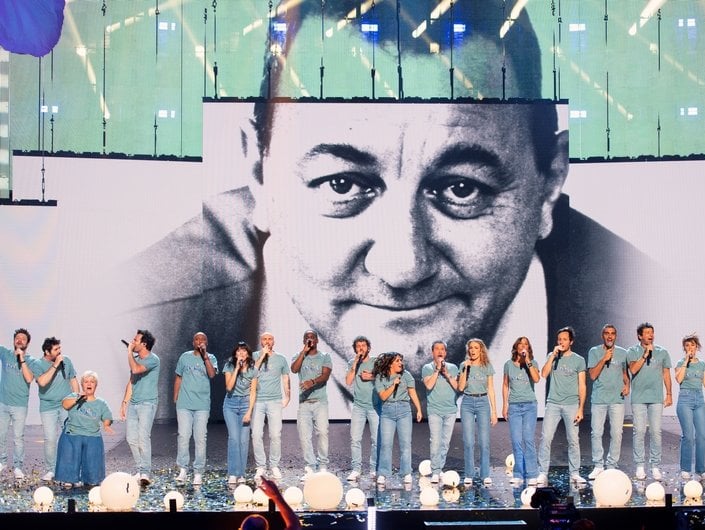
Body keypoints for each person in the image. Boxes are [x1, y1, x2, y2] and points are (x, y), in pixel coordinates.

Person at [111, 1, 654, 421]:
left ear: (549, 182)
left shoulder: (651, 301)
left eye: (462, 188)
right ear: (259, 172)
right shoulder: (130, 324)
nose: (402, 267)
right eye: (342, 183)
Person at [537, 326, 587, 486]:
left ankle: (574, 473)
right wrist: (552, 356)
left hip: (572, 404)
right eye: (559, 339)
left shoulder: (578, 360)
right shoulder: (552, 356)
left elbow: (582, 385)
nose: (561, 342)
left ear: (571, 341)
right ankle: (542, 472)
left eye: (564, 339)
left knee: (573, 440)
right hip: (553, 403)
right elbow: (543, 374)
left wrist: (580, 408)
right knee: (546, 438)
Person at [626, 322, 672, 481]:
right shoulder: (632, 351)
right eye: (647, 333)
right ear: (640, 336)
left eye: (652, 332)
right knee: (639, 431)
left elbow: (666, 374)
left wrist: (669, 394)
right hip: (639, 398)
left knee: (656, 432)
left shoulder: (662, 352)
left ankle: (655, 466)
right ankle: (640, 465)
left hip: (656, 398)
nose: (650, 335)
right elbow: (633, 369)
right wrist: (645, 355)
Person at [30, 336, 79, 482]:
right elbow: (42, 382)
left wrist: (76, 400)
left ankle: (70, 468)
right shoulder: (38, 364)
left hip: (66, 404)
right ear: (47, 351)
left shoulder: (67, 361)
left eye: (59, 348)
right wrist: (55, 365)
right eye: (56, 349)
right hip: (48, 407)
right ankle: (51, 469)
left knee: (70, 436)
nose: (59, 351)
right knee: (50, 439)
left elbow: (73, 380)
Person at [54, 370, 113, 488]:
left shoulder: (101, 403)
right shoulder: (74, 396)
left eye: (92, 382)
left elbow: (107, 416)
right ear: (82, 384)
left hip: (92, 436)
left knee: (92, 465)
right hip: (73, 434)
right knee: (69, 457)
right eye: (86, 382)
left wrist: (106, 424)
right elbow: (65, 404)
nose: (89, 384)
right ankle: (68, 479)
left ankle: (91, 478)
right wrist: (78, 398)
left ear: (96, 385)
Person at [173, 331, 218, 485]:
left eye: (202, 339)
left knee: (200, 438)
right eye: (197, 339)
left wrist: (205, 357)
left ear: (206, 342)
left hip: (202, 405)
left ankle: (198, 471)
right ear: (193, 342)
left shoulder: (211, 358)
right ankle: (183, 469)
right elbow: (178, 377)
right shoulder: (184, 357)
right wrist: (175, 397)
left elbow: (212, 374)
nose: (199, 341)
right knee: (183, 436)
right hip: (184, 404)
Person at [586, 324, 629, 480]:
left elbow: (625, 373)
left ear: (615, 336)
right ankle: (598, 465)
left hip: (617, 399)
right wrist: (604, 359)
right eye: (607, 333)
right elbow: (592, 375)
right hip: (599, 399)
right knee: (596, 433)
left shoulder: (623, 353)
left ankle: (612, 465)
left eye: (612, 333)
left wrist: (627, 385)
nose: (610, 336)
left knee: (616, 433)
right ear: (602, 335)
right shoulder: (594, 351)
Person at [374, 352, 423, 486]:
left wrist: (419, 409)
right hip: (387, 411)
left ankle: (406, 472)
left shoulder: (406, 375)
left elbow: (412, 392)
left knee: (405, 443)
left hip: (404, 410)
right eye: (397, 361)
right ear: (390, 363)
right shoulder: (380, 377)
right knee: (386, 444)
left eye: (401, 360)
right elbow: (383, 396)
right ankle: (383, 473)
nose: (400, 363)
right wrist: (393, 384)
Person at [674, 334, 705, 480]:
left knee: (702, 436)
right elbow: (679, 379)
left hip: (699, 400)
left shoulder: (702, 364)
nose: (690, 348)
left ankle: (701, 469)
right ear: (684, 348)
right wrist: (686, 360)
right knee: (688, 436)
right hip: (685, 399)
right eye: (687, 345)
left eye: (692, 345)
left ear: (697, 347)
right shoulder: (681, 362)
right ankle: (685, 468)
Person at [120, 329, 159, 486]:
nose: (132, 342)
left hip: (147, 403)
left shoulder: (153, 360)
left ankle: (145, 472)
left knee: (143, 437)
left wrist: (129, 352)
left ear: (144, 344)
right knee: (131, 438)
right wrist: (124, 402)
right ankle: (140, 468)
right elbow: (132, 381)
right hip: (134, 404)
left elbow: (137, 369)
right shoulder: (135, 359)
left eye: (135, 340)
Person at [291, 330, 332, 478]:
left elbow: (325, 375)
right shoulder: (298, 356)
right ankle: (310, 466)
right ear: (304, 341)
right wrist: (304, 352)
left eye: (312, 337)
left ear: (317, 340)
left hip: (320, 402)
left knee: (322, 432)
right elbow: (294, 369)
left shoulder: (325, 356)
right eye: (307, 338)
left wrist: (312, 381)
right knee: (304, 436)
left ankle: (323, 465)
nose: (310, 339)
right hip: (304, 402)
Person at [250, 331, 290, 482]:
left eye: (270, 339)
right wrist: (262, 356)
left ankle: (274, 465)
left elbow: (285, 378)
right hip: (258, 401)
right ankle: (260, 466)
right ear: (261, 342)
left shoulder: (281, 359)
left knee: (275, 434)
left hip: (274, 401)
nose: (267, 341)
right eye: (265, 339)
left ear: (274, 341)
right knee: (256, 434)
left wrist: (288, 396)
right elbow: (251, 373)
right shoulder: (254, 356)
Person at [501, 336, 540, 487]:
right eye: (520, 343)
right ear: (516, 347)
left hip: (530, 405)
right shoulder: (508, 364)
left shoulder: (533, 363)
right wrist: (505, 405)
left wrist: (527, 360)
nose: (523, 346)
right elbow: (505, 385)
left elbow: (536, 379)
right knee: (516, 440)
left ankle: (532, 474)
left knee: (528, 439)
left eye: (526, 344)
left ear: (528, 348)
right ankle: (518, 473)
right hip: (514, 406)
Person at [458, 338, 498, 486]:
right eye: (471, 348)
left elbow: (491, 389)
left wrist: (494, 412)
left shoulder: (487, 366)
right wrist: (465, 369)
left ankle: (485, 474)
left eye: (476, 348)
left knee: (484, 441)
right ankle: (469, 474)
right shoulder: (464, 365)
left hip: (483, 402)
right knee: (468, 441)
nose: (473, 350)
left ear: (481, 350)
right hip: (467, 403)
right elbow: (461, 387)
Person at [421, 340, 459, 483]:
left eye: (442, 349)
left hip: (450, 410)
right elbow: (429, 386)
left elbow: (457, 387)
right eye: (437, 349)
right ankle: (436, 471)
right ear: (432, 352)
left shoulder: (453, 368)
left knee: (445, 442)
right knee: (435, 441)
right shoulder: (427, 368)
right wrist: (437, 370)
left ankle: (439, 467)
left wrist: (446, 373)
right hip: (434, 410)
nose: (440, 351)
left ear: (445, 352)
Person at [0, 328, 34, 479]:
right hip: (3, 403)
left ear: (27, 343)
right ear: (14, 340)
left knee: (18, 438)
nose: (20, 340)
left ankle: (18, 466)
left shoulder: (31, 361)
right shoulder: (5, 354)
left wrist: (22, 359)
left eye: (23, 339)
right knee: (1, 434)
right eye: (17, 338)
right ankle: (2, 461)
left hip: (20, 406)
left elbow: (29, 378)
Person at [345, 335, 378, 482]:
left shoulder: (376, 362)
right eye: (358, 346)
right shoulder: (352, 363)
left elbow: (385, 378)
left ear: (368, 348)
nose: (361, 348)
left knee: (376, 439)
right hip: (358, 406)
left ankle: (374, 469)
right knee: (355, 439)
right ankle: (356, 469)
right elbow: (348, 381)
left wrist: (370, 376)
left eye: (363, 346)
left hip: (375, 406)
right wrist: (355, 364)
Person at [224, 341, 257, 485]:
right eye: (238, 351)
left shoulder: (253, 370)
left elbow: (253, 392)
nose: (241, 353)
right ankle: (233, 473)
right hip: (230, 404)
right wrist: (237, 368)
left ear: (248, 354)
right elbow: (229, 387)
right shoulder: (229, 366)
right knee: (234, 439)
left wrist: (249, 411)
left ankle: (241, 473)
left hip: (245, 405)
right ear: (235, 354)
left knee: (243, 441)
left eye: (244, 351)